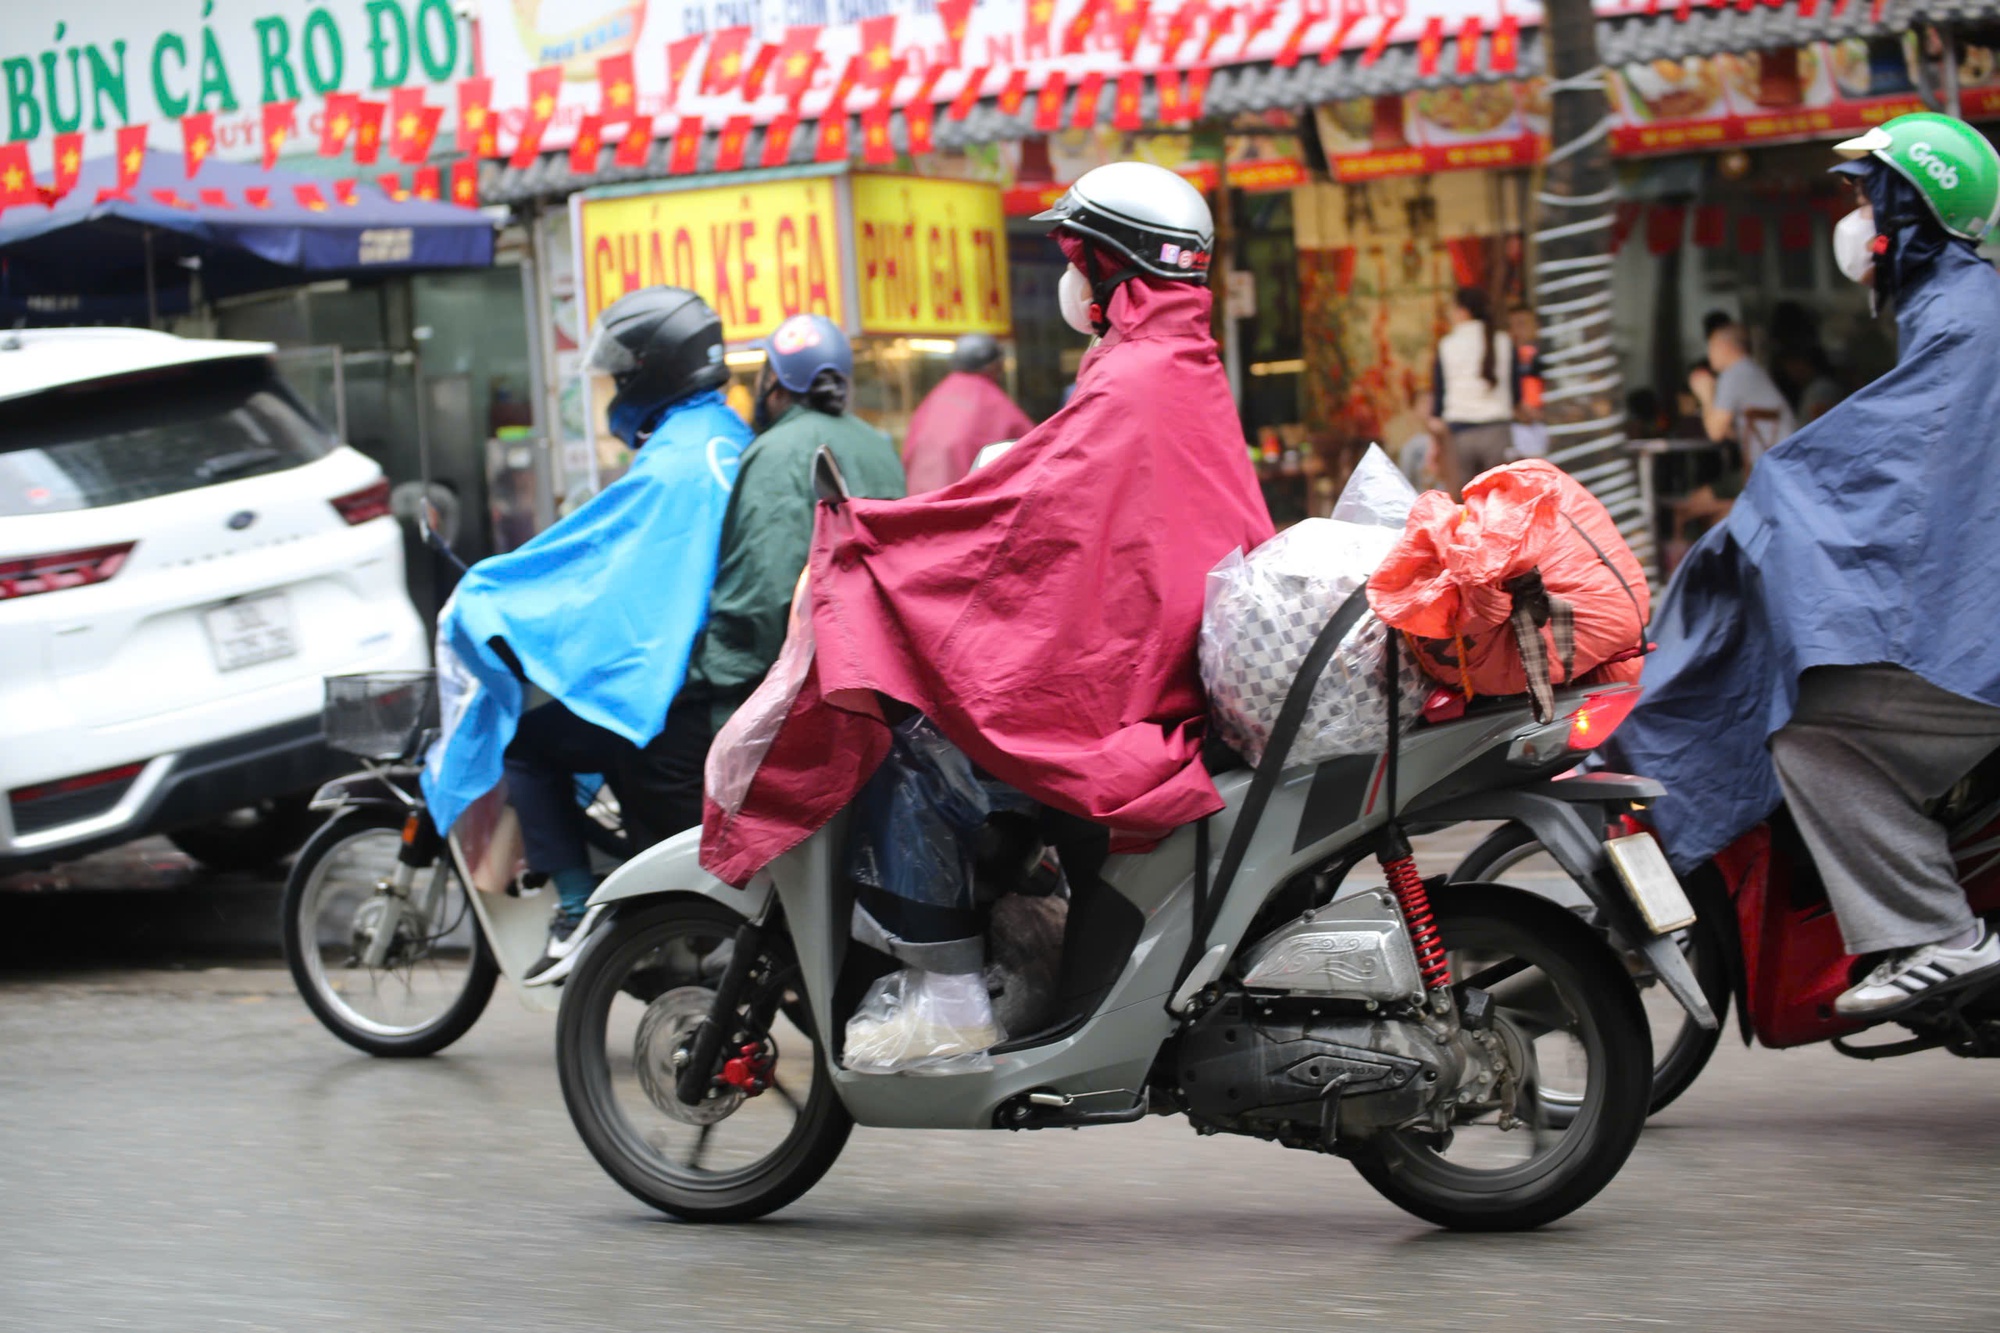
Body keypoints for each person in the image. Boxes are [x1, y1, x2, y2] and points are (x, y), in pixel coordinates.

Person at [701, 161, 1274, 1056]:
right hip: (1157, 670)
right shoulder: (1175, 366)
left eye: (1075, 255)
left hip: (1136, 697)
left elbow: (1018, 520)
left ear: (1112, 268)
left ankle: (952, 991)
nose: (1067, 278)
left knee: (914, 744)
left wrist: (875, 547)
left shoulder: (1131, 380)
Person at [1600, 112, 2000, 1018]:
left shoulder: (1967, 324)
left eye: (1865, 195)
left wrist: (1781, 500)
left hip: (1980, 642)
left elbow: (1900, 464)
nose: (1852, 215)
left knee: (1813, 734)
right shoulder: (1952, 306)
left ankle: (1938, 930)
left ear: (1911, 204)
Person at [421, 287, 751, 979]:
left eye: (624, 376)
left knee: (527, 745)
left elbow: (601, 566)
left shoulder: (671, 464)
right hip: (726, 675)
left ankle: (574, 910)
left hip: (681, 692)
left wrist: (498, 593)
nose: (617, 390)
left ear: (652, 373)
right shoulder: (724, 436)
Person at [683, 313, 906, 733]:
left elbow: (764, 593)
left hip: (796, 704)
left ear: (775, 382)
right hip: (872, 684)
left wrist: (710, 676)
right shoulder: (877, 446)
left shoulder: (775, 453)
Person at [900, 333, 1037, 494]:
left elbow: (908, 452)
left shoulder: (934, 398)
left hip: (920, 500)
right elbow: (1034, 449)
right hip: (965, 504)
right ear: (993, 365)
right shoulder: (994, 403)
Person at [1426, 286, 1515, 497]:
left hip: (1460, 437)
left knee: (1465, 505)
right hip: (1497, 434)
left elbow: (1440, 393)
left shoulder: (1447, 345)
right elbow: (1516, 391)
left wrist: (1435, 424)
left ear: (1463, 312)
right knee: (1499, 502)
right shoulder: (1504, 342)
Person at [1687, 322, 1795, 474]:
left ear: (1725, 346)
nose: (1709, 354)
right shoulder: (1751, 371)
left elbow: (1715, 433)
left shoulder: (1734, 374)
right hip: (1783, 464)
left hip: (1768, 472)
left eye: (1711, 347)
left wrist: (1705, 394)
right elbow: (1734, 433)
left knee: (1696, 497)